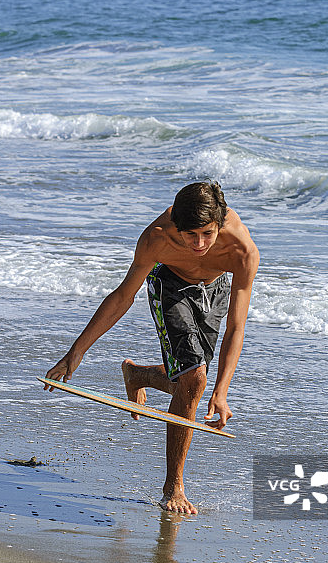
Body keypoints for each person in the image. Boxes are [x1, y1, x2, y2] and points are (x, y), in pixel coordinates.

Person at [44, 181, 259, 515]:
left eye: (207, 234)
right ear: (177, 227)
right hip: (168, 281)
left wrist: (223, 391)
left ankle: (138, 375)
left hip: (214, 287)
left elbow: (236, 326)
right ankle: (173, 486)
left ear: (219, 224)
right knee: (194, 378)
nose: (199, 243)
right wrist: (77, 353)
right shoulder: (158, 238)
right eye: (191, 235)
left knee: (191, 384)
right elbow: (121, 297)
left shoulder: (241, 250)